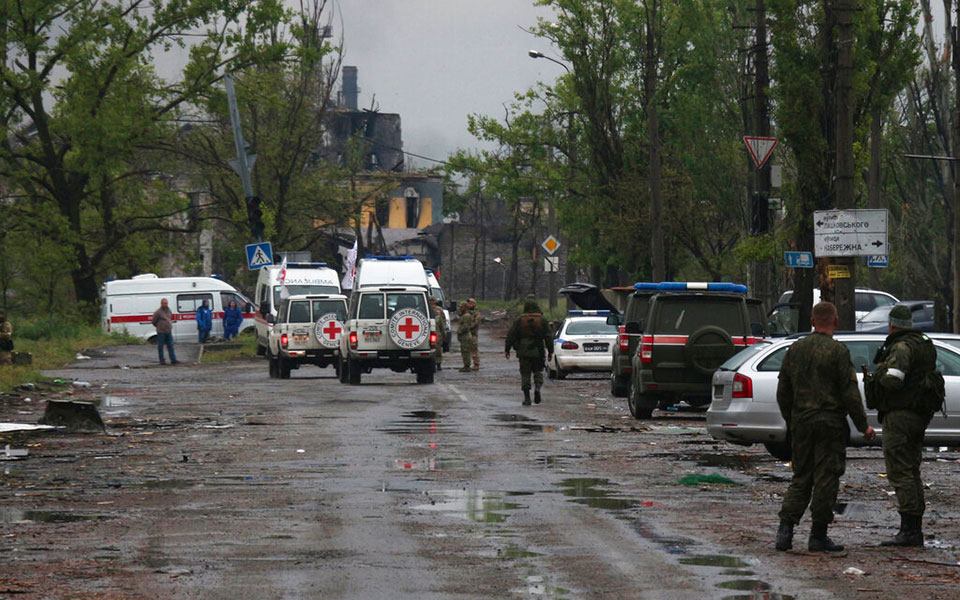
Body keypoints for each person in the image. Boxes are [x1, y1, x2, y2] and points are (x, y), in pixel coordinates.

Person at [775, 301, 875, 553]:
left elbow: (783, 391)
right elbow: (850, 393)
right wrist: (864, 426)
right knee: (826, 478)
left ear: (811, 321)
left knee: (801, 476)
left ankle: (785, 531)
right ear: (836, 322)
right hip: (830, 424)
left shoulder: (795, 349)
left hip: (802, 422)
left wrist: (792, 419)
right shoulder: (838, 352)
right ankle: (818, 535)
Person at [867, 304, 942, 547]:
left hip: (901, 414)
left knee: (900, 470)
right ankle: (913, 526)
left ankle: (909, 530)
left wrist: (876, 376)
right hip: (918, 413)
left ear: (891, 325)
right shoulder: (923, 342)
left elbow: (894, 380)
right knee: (911, 469)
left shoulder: (901, 347)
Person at [505, 299, 553, 405]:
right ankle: (537, 388)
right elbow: (549, 337)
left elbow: (511, 335)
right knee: (538, 371)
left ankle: (527, 398)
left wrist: (507, 349)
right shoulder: (542, 320)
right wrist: (550, 351)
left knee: (525, 373)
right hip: (538, 350)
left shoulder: (520, 320)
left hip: (523, 350)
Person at [152, 299, 179, 365]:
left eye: (166, 303)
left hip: (168, 331)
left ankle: (173, 359)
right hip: (161, 331)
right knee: (160, 346)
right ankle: (162, 360)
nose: (165, 304)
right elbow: (154, 321)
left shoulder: (169, 310)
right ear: (161, 303)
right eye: (164, 303)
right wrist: (159, 326)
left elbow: (170, 318)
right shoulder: (158, 312)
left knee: (170, 345)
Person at [457, 299, 480, 372]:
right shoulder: (466, 313)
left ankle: (475, 364)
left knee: (472, 349)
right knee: (465, 350)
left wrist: (461, 331)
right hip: (468, 334)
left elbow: (472, 324)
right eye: (468, 303)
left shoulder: (476, 314)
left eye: (471, 303)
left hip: (472, 334)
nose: (469, 304)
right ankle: (468, 365)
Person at [429, 296, 447, 370]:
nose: (432, 302)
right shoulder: (425, 308)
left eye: (433, 300)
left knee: (437, 349)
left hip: (437, 332)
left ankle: (438, 363)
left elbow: (443, 321)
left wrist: (444, 333)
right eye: (430, 300)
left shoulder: (439, 310)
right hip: (428, 331)